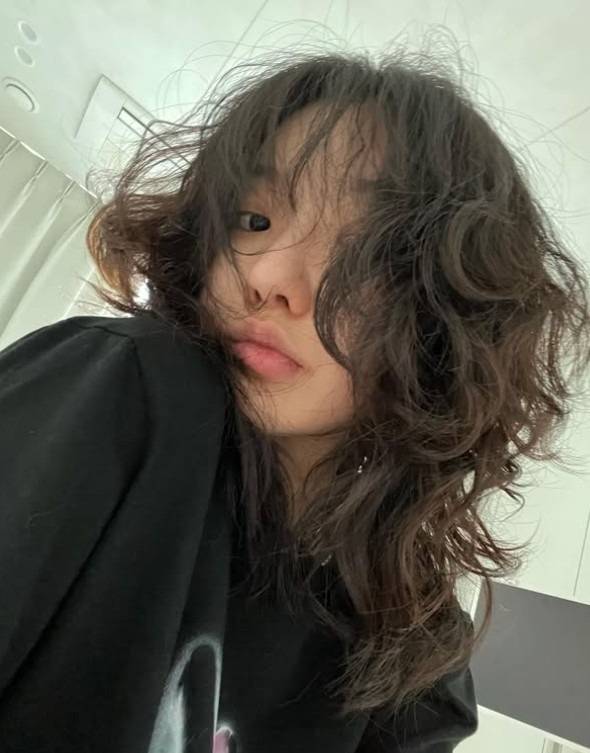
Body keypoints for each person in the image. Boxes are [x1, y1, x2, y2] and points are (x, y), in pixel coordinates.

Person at [1, 45, 589, 753]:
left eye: (369, 253)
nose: (269, 276)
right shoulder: (127, 383)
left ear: (445, 325)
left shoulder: (420, 646)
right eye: (253, 219)